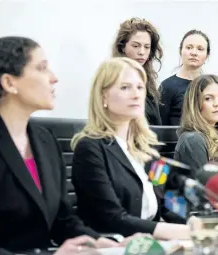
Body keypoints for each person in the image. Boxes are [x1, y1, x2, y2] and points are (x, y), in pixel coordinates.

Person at [0, 36, 140, 254]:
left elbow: (63, 219)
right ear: (9, 83)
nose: (54, 78)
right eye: (42, 68)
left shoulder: (45, 141)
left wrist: (97, 241)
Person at [71, 57, 190, 240]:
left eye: (140, 87)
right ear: (103, 96)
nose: (136, 95)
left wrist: (193, 221)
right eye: (125, 87)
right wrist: (183, 232)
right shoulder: (90, 148)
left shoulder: (146, 148)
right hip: (114, 246)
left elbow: (168, 201)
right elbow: (112, 218)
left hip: (151, 244)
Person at [174, 74, 218, 177]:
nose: (217, 104)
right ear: (195, 104)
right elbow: (206, 189)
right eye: (208, 98)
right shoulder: (193, 140)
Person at [112, 17, 163, 125]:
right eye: (136, 46)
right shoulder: (114, 80)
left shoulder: (148, 83)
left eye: (147, 47)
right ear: (122, 47)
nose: (141, 52)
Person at [159, 29, 210, 125]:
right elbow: (161, 127)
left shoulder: (211, 86)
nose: (194, 53)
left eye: (200, 49)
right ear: (180, 51)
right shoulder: (167, 87)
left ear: (207, 55)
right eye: (189, 47)